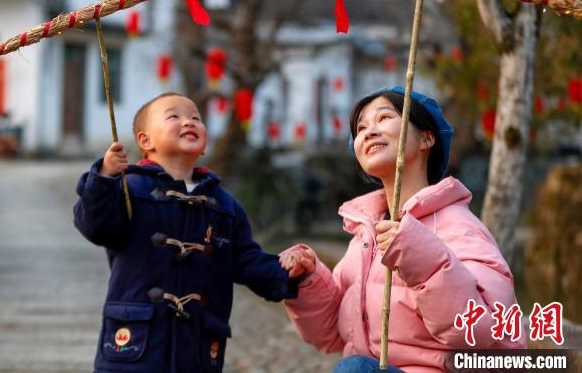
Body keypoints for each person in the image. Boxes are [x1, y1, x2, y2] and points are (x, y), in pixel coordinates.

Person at [279, 86, 525, 373]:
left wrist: (422, 259)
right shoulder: (365, 237)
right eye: (360, 128)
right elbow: (329, 334)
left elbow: (483, 332)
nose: (369, 132)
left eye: (384, 118)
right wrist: (307, 280)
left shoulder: (460, 226)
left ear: (427, 138)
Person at [74, 92, 298, 373]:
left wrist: (288, 272)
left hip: (198, 346)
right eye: (173, 116)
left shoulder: (225, 206)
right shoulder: (129, 190)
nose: (189, 122)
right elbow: (95, 225)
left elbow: (246, 259)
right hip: (134, 345)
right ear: (145, 141)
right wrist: (104, 178)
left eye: (196, 118)